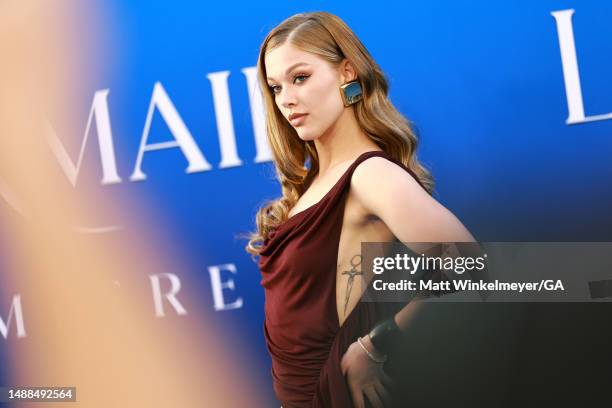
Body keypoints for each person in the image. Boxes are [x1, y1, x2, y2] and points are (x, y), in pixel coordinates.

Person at [246, 11, 475, 408]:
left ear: (346, 72)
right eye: (275, 87)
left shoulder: (369, 175)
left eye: (300, 78)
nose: (287, 99)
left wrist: (376, 343)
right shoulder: (311, 185)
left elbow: (471, 266)